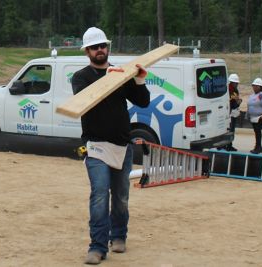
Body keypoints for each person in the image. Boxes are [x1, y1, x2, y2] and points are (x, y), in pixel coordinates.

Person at [71, 27, 150, 265]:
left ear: (108, 47)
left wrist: (137, 79)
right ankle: (96, 246)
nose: (100, 50)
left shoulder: (120, 74)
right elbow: (88, 100)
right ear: (87, 51)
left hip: (122, 146)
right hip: (95, 146)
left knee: (121, 197)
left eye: (103, 46)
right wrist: (112, 78)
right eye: (94, 47)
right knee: (99, 195)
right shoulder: (81, 77)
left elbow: (143, 101)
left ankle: (118, 236)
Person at [246, 77, 262, 154]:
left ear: (260, 87)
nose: (254, 87)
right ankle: (259, 147)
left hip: (261, 117)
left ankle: (258, 148)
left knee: (258, 131)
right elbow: (249, 105)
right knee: (256, 131)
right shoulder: (252, 96)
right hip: (253, 117)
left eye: (256, 86)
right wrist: (247, 114)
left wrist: (261, 99)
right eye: (253, 85)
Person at [226, 73, 242, 151]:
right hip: (229, 113)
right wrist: (238, 102)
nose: (237, 84)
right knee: (230, 130)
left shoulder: (233, 90)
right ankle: (228, 145)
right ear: (232, 82)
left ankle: (226, 145)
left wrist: (237, 102)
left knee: (229, 129)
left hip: (230, 112)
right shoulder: (229, 90)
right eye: (236, 83)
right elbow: (232, 103)